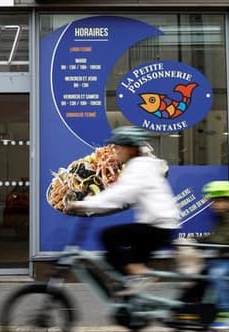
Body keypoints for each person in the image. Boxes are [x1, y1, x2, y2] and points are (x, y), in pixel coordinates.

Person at [66, 126, 180, 294]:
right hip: (160, 225)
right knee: (112, 258)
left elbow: (120, 194)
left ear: (132, 149)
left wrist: (85, 204)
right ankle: (130, 296)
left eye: (120, 147)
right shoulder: (144, 165)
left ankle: (137, 276)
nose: (116, 151)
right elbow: (120, 194)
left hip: (158, 227)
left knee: (109, 236)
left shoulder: (139, 167)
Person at [200, 180, 229, 329]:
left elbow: (221, 239)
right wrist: (194, 240)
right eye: (213, 201)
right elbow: (213, 237)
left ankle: (228, 314)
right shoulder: (221, 219)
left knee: (217, 276)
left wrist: (204, 242)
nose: (214, 205)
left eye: (219, 201)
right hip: (219, 258)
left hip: (228, 260)